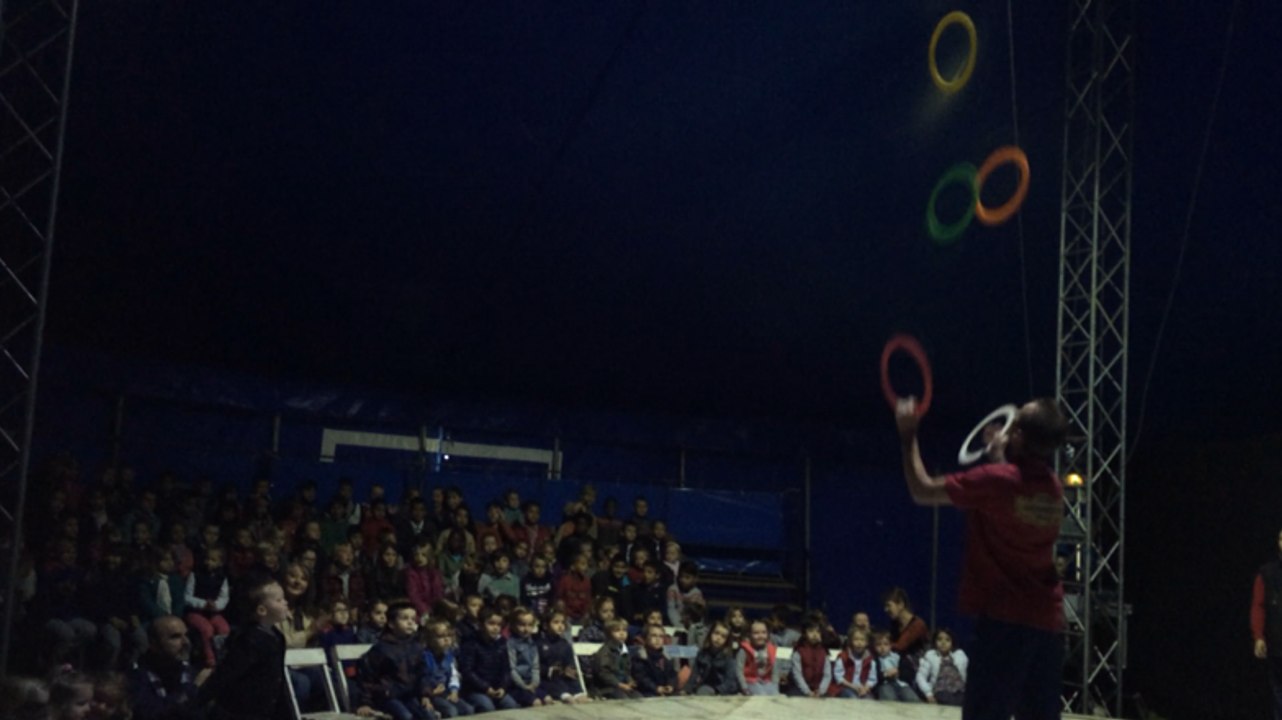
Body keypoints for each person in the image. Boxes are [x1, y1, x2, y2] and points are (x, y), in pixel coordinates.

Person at [896, 395, 1069, 719]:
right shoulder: (1053, 489)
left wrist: (908, 434)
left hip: (1005, 622)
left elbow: (921, 489)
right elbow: (1016, 492)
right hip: (1046, 624)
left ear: (1017, 435)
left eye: (1013, 425)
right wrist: (1000, 455)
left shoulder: (995, 481)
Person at [197, 573, 292, 720]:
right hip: (242, 711)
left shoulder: (277, 636)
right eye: (279, 600)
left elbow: (277, 678)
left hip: (267, 709)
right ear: (261, 610)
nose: (285, 603)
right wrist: (197, 702)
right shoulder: (248, 640)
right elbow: (226, 674)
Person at [359, 601, 432, 720]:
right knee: (406, 717)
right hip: (387, 697)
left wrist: (425, 695)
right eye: (404, 618)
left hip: (410, 695)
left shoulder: (416, 647)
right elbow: (368, 677)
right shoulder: (381, 649)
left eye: (413, 619)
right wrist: (365, 702)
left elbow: (423, 673)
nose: (410, 622)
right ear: (391, 624)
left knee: (428, 715)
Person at [129, 615, 205, 720]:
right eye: (175, 637)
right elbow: (150, 714)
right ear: (153, 644)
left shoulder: (189, 671)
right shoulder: (137, 676)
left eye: (186, 635)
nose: (186, 642)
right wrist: (193, 688)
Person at [459, 607, 518, 712]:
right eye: (491, 624)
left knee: (511, 705)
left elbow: (506, 669)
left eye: (499, 625)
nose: (495, 628)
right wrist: (485, 688)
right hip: (475, 690)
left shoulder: (501, 643)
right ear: (480, 624)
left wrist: (503, 687)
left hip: (496, 688)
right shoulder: (471, 643)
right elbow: (467, 671)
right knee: (487, 707)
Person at [1252, 528, 1282, 719]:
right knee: (1279, 696)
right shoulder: (1267, 573)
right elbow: (1258, 605)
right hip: (1278, 647)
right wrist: (1258, 637)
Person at [184, 545, 230, 668]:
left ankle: (223, 656)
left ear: (220, 563)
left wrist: (216, 606)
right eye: (207, 559)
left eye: (213, 560)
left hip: (213, 612)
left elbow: (224, 597)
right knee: (207, 629)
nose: (209, 562)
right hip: (196, 612)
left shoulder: (222, 578)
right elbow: (187, 597)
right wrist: (203, 604)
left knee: (224, 628)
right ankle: (210, 658)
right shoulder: (195, 575)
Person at [421, 619, 473, 717]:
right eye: (441, 637)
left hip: (446, 692)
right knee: (452, 712)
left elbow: (454, 674)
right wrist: (428, 694)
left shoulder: (449, 655)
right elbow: (422, 678)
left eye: (449, 636)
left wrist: (454, 690)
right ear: (429, 639)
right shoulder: (425, 657)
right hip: (431, 694)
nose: (446, 640)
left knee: (468, 709)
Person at [537, 610, 587, 703]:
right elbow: (536, 666)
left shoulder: (565, 644)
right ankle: (564, 695)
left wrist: (570, 670)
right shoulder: (539, 644)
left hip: (565, 679)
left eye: (562, 622)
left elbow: (570, 663)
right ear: (545, 625)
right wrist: (549, 670)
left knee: (582, 698)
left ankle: (576, 693)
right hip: (548, 680)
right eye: (556, 622)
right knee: (568, 698)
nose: (560, 626)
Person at [883, 587, 929, 686]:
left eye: (888, 606)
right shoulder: (895, 624)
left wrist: (881, 645)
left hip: (916, 668)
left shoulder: (917, 624)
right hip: (899, 664)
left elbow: (900, 646)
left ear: (901, 604)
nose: (885, 610)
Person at [590, 619, 641, 699]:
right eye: (617, 631)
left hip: (622, 686)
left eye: (624, 630)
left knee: (638, 697)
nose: (622, 633)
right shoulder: (605, 651)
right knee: (623, 698)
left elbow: (626, 670)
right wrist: (619, 684)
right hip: (606, 688)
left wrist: (629, 680)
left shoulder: (624, 650)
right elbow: (603, 673)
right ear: (609, 634)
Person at [685, 620, 739, 696]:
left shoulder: (728, 657)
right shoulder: (702, 653)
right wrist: (687, 690)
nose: (718, 638)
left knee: (703, 692)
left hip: (724, 690)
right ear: (710, 634)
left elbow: (730, 681)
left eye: (723, 636)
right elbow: (694, 675)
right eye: (716, 633)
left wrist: (718, 691)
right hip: (707, 686)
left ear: (727, 641)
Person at [505, 608, 546, 707]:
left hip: (531, 683)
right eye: (522, 625)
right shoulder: (510, 644)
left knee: (547, 699)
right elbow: (512, 669)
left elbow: (535, 667)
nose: (526, 629)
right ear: (513, 625)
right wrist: (524, 686)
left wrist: (534, 683)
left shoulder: (532, 644)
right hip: (516, 686)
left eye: (530, 625)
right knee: (536, 703)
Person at [917, 628, 968, 706]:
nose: (943, 642)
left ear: (952, 642)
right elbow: (920, 676)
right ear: (935, 642)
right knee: (947, 699)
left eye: (947, 640)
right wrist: (928, 693)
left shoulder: (959, 655)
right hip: (941, 690)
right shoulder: (931, 655)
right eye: (939, 639)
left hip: (960, 689)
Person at [735, 619, 780, 696]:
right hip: (750, 681)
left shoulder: (772, 649)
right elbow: (739, 671)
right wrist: (744, 688)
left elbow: (775, 671)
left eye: (763, 632)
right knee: (761, 696)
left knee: (775, 696)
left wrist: (775, 685)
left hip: (767, 682)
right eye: (756, 633)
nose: (760, 636)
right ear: (750, 635)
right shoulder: (744, 650)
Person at [631, 625, 678, 697]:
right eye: (654, 636)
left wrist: (670, 685)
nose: (657, 639)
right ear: (645, 638)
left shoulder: (667, 656)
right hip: (647, 691)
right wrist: (656, 688)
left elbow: (672, 675)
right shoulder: (640, 656)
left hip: (664, 691)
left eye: (661, 636)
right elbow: (642, 678)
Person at [788, 621, 832, 698]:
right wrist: (807, 692)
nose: (815, 634)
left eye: (818, 632)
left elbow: (827, 675)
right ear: (804, 634)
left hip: (818, 689)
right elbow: (797, 674)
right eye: (811, 631)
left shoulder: (824, 652)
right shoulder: (799, 651)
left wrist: (821, 691)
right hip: (800, 688)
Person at [830, 627, 875, 699]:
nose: (859, 643)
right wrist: (853, 687)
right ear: (851, 641)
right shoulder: (843, 657)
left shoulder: (870, 660)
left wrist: (865, 688)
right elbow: (838, 677)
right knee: (853, 698)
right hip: (845, 687)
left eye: (862, 640)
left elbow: (872, 679)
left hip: (862, 688)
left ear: (867, 643)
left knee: (869, 699)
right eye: (856, 639)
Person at [872, 630, 917, 702]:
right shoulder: (874, 660)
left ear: (890, 646)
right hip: (884, 684)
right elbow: (873, 677)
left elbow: (910, 672)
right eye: (879, 645)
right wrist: (885, 674)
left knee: (912, 698)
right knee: (889, 698)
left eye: (886, 644)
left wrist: (899, 672)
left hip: (901, 683)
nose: (882, 647)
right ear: (874, 647)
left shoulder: (898, 657)